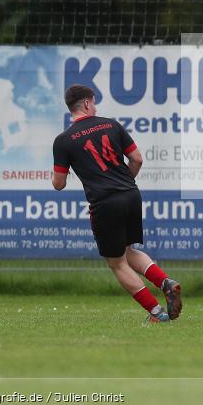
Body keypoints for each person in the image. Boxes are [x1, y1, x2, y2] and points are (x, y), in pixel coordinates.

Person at [52, 85, 181, 324]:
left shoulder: (63, 140)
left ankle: (156, 313)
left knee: (116, 262)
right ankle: (166, 282)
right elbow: (137, 159)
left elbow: (58, 184)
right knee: (129, 251)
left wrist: (56, 175)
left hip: (105, 202)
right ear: (88, 104)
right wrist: (124, 183)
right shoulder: (111, 124)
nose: (96, 106)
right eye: (94, 102)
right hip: (131, 194)